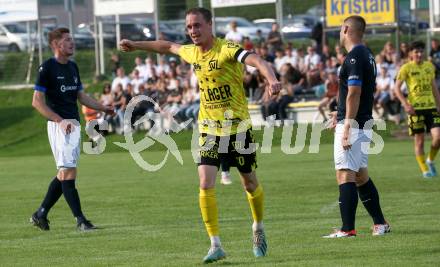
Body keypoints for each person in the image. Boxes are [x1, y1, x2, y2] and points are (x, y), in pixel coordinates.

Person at [120, 7, 281, 263]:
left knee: (249, 183)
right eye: (189, 27)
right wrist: (137, 45)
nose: (193, 31)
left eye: (197, 26)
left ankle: (258, 227)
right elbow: (167, 46)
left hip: (237, 128)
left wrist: (271, 79)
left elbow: (258, 61)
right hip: (207, 128)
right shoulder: (192, 52)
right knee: (205, 183)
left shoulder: (226, 48)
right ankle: (215, 244)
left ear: (209, 25)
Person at [30, 27, 114, 231]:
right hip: (60, 127)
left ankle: (40, 213)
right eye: (67, 40)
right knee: (68, 172)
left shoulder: (72, 67)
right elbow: (37, 102)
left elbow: (81, 96)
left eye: (71, 39)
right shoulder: (47, 68)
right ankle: (80, 220)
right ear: (56, 45)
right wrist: (60, 121)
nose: (72, 43)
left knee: (64, 174)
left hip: (74, 125)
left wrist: (102, 107)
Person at [325, 16, 390, 238]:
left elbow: (354, 92)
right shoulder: (367, 54)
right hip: (362, 121)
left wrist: (346, 126)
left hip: (354, 124)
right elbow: (354, 94)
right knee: (360, 176)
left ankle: (347, 229)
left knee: (345, 174)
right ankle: (380, 224)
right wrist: (339, 113)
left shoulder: (354, 57)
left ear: (345, 29)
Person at [394, 41, 440, 178]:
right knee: (419, 141)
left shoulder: (429, 67)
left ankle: (430, 160)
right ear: (410, 54)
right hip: (415, 110)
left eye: (421, 51)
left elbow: (434, 87)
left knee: (438, 137)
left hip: (431, 107)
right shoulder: (406, 68)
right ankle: (425, 169)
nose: (419, 54)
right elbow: (396, 88)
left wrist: (439, 104)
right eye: (416, 52)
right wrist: (405, 104)